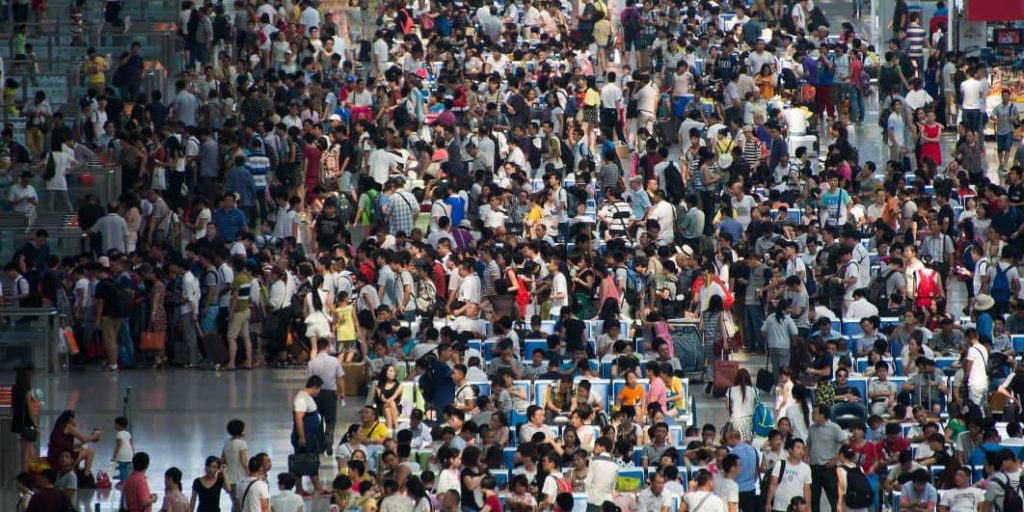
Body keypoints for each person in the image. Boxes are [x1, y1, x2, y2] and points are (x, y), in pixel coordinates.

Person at [306, 337, 344, 450]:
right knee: (331, 419)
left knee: (317, 418)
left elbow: (309, 380)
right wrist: (342, 392)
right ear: (327, 347)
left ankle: (320, 443)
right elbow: (340, 378)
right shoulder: (335, 361)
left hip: (315, 393)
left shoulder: (312, 363)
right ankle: (329, 439)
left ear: (317, 348)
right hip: (330, 393)